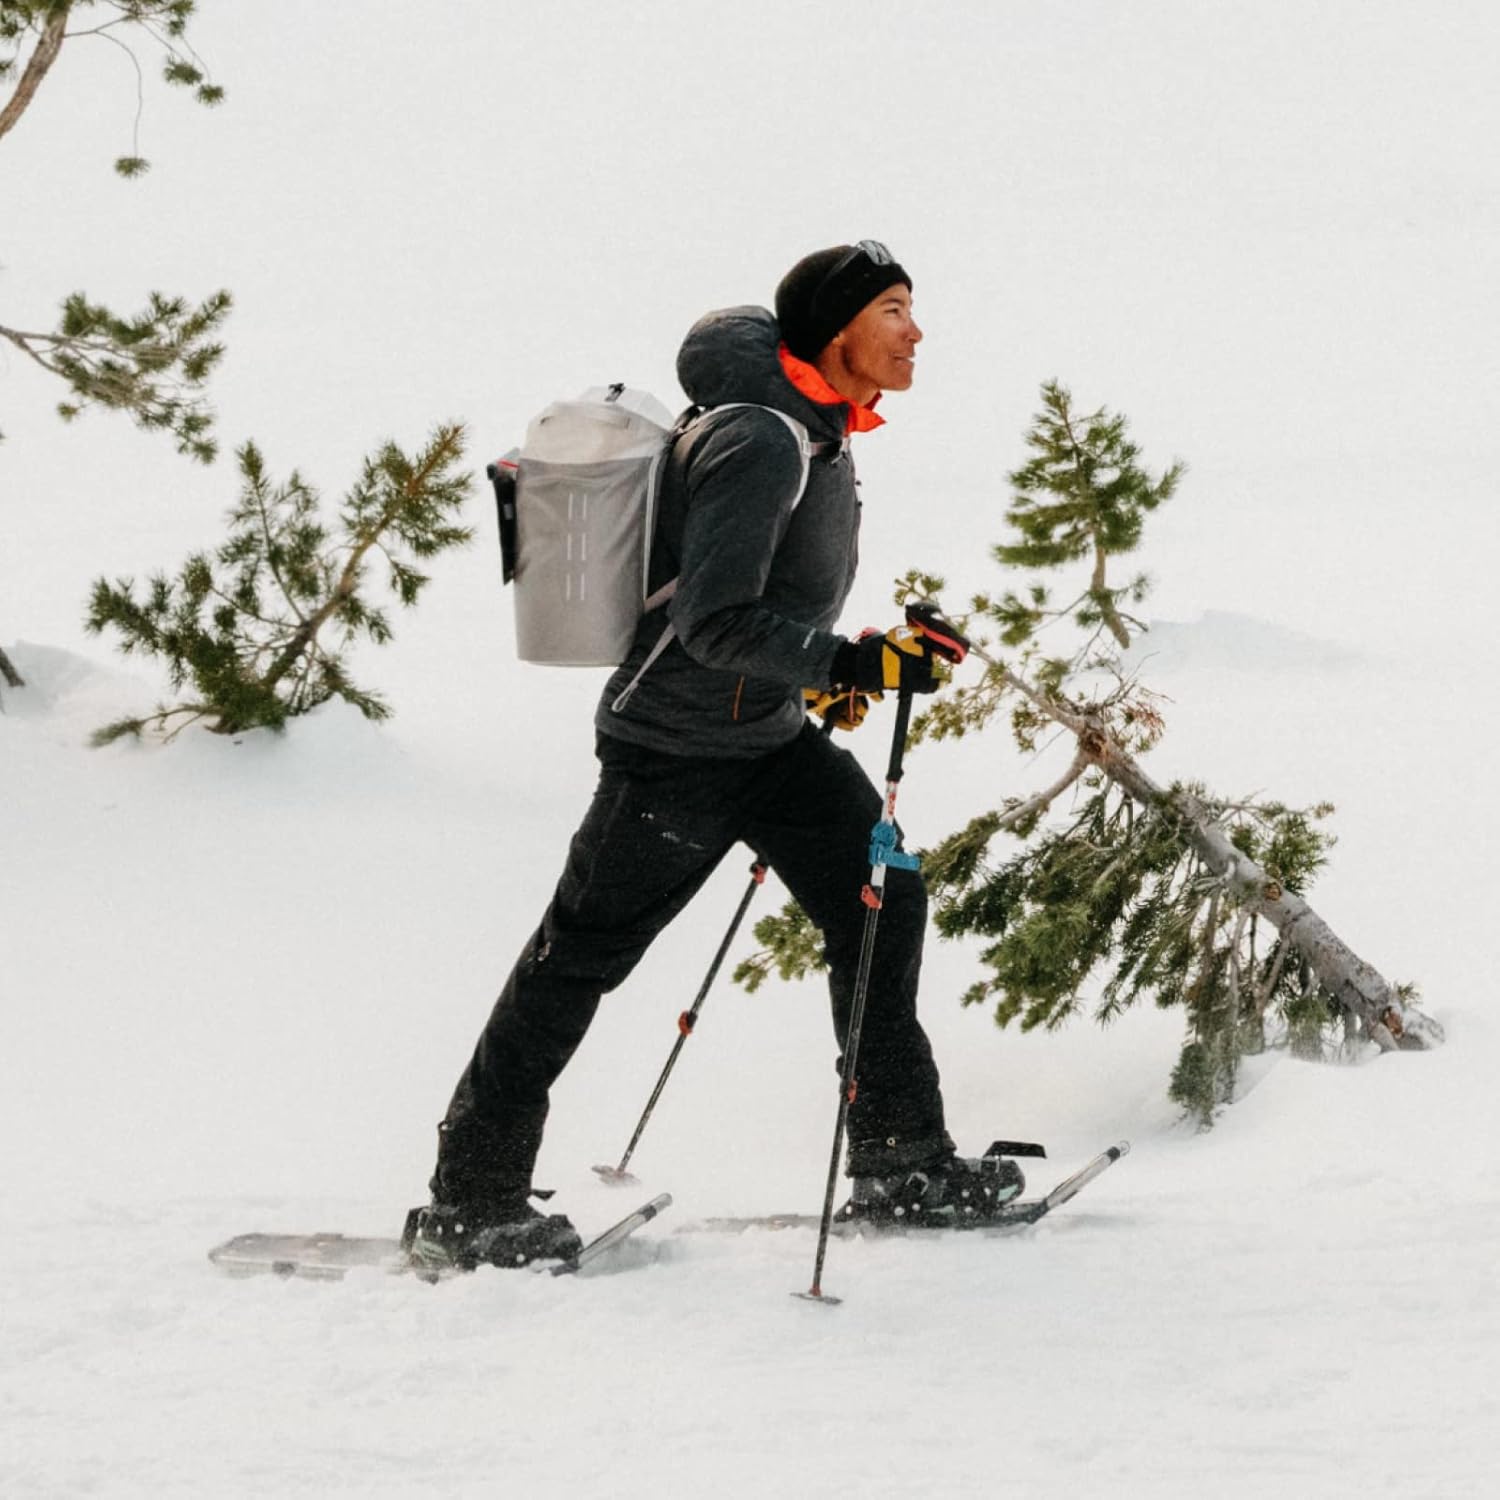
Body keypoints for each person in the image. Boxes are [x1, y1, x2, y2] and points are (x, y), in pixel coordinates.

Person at [405, 241, 1023, 1270]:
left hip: (766, 741)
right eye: (893, 310)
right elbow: (712, 622)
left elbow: (765, 609)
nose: (915, 332)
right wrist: (850, 659)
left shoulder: (822, 433)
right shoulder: (763, 442)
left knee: (882, 900)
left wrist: (828, 676)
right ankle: (471, 1197)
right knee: (577, 961)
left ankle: (900, 1158)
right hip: (675, 753)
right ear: (836, 330)